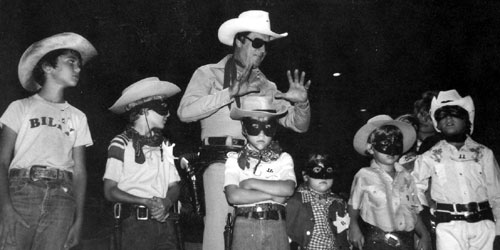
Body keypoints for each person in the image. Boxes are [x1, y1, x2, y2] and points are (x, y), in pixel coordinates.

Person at [177, 10, 311, 250]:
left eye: (266, 46)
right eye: (257, 43)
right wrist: (229, 93)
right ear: (239, 40)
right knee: (220, 231)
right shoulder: (208, 74)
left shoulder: (266, 85)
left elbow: (298, 125)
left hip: (258, 162)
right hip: (219, 161)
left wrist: (302, 103)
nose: (262, 51)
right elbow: (185, 112)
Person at [0, 32, 97, 250]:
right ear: (47, 67)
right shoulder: (20, 107)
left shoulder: (78, 117)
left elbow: (80, 171)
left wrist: (78, 219)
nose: (78, 69)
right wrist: (5, 207)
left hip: (62, 199)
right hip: (21, 191)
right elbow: (2, 160)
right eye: (71, 62)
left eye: (79, 64)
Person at [412, 89, 500, 250]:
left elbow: (497, 195)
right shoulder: (429, 156)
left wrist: (499, 232)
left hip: (484, 226)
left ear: (467, 119)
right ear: (437, 124)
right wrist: (425, 213)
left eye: (454, 113)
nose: (448, 119)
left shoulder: (484, 154)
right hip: (448, 227)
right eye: (442, 116)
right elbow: (415, 187)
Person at [103, 77, 182, 250]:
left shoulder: (164, 145)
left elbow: (174, 185)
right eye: (163, 108)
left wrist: (166, 203)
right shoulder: (120, 143)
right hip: (134, 226)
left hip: (165, 222)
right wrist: (145, 201)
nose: (168, 114)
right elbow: (110, 190)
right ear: (144, 111)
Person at [348, 115, 431, 250]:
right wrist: (353, 227)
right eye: (384, 143)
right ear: (370, 148)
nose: (391, 150)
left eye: (396, 143)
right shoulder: (364, 175)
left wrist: (424, 235)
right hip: (377, 241)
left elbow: (414, 210)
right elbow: (353, 205)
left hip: (406, 242)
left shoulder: (406, 176)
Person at [223, 95, 296, 250]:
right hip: (245, 225)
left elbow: (288, 189)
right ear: (244, 128)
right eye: (254, 127)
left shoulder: (283, 158)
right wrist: (272, 195)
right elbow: (233, 196)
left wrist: (250, 183)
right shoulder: (234, 160)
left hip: (277, 226)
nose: (261, 134)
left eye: (268, 127)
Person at [286, 153, 350, 250]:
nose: (323, 176)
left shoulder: (339, 203)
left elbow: (344, 235)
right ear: (305, 176)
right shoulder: (295, 201)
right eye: (317, 170)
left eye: (329, 170)